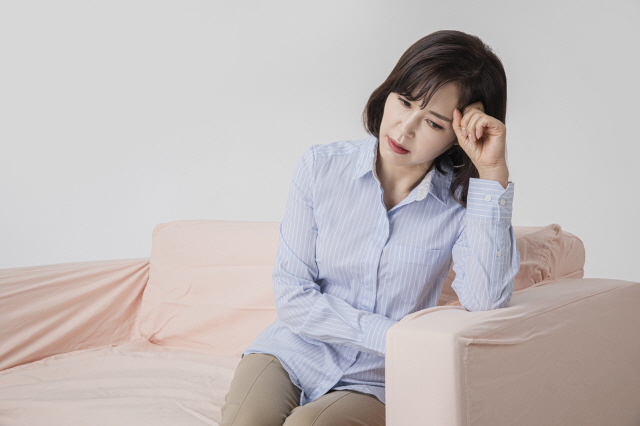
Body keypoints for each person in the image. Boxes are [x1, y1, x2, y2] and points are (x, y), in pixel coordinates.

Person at [220, 29, 520, 426]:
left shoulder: (463, 204)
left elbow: (485, 301)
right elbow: (293, 296)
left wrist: (492, 172)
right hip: (293, 349)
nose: (404, 129)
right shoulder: (320, 167)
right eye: (404, 101)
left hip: (378, 376)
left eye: (433, 123)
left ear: (458, 136)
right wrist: (394, 336)